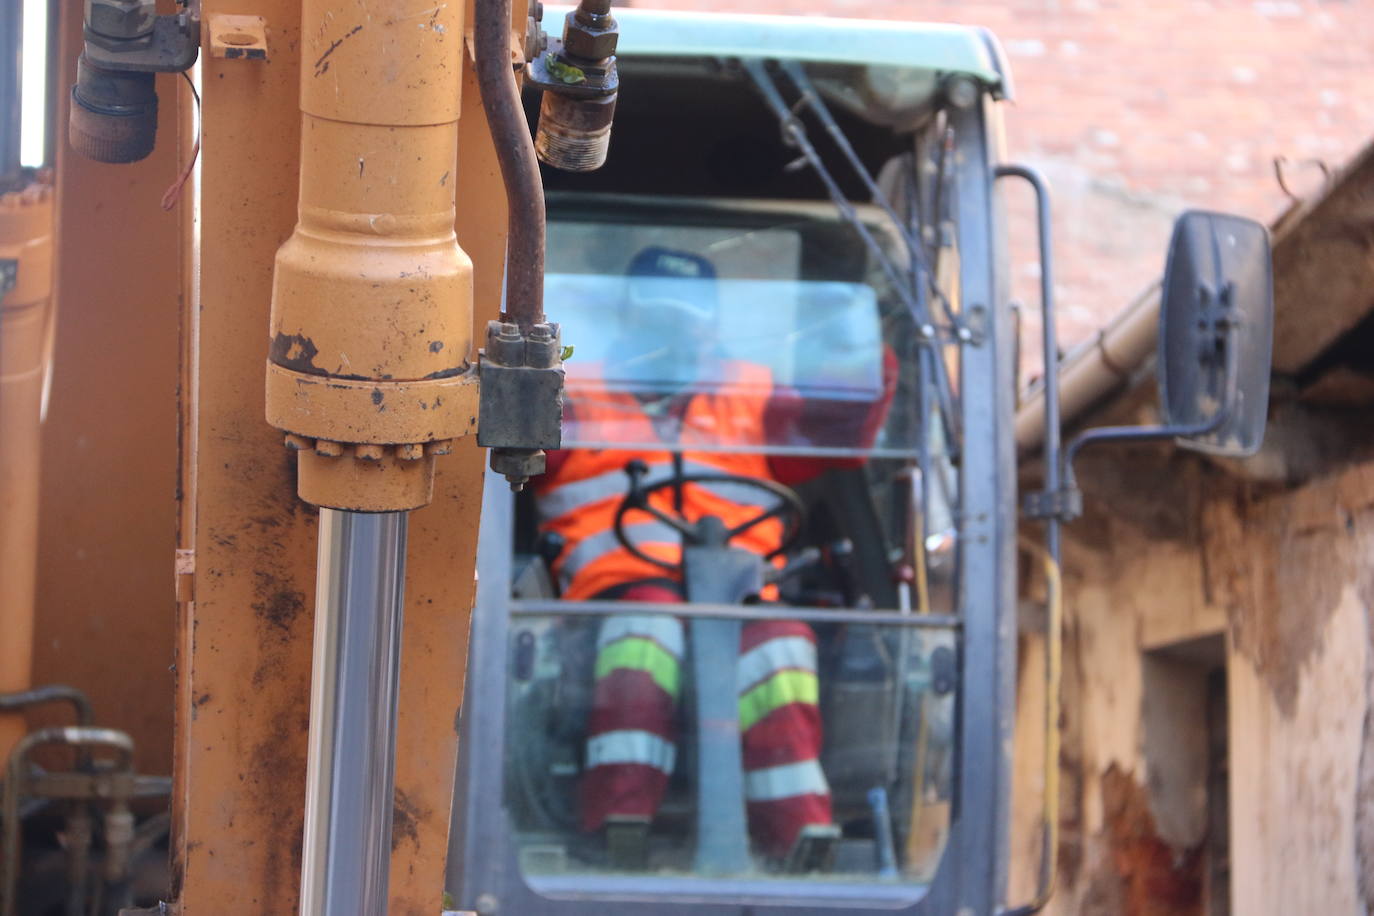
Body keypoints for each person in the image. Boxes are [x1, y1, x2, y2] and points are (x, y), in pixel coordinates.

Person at [531, 245, 892, 870]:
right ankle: (619, 824)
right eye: (660, 317)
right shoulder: (573, 393)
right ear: (629, 321)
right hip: (608, 598)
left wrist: (860, 346)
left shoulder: (753, 393)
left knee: (782, 641)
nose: (678, 332)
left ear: (713, 324)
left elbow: (844, 427)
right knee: (647, 628)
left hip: (741, 592)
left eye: (690, 317)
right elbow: (505, 447)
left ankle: (800, 840)